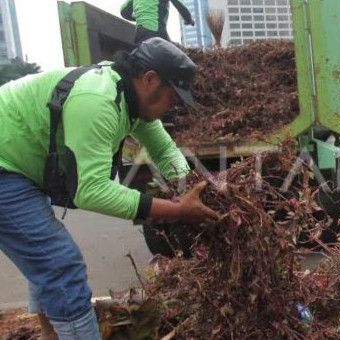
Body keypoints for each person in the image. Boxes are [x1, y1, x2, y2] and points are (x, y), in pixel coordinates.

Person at [0, 38, 219, 339]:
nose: (173, 107)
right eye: (172, 97)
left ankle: (52, 334)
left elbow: (166, 152)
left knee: (43, 257)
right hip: (5, 167)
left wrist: (195, 189)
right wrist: (178, 210)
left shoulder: (129, 98)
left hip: (18, 163)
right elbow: (90, 190)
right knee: (61, 264)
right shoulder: (99, 100)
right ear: (150, 79)